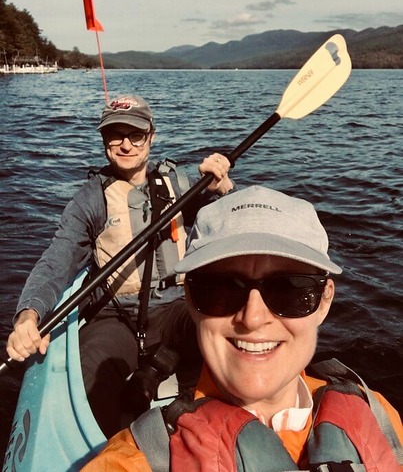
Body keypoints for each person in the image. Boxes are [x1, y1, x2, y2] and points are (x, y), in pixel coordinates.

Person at [82, 185, 403, 471]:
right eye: (221, 289)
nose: (252, 318)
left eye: (289, 289)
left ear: (324, 301)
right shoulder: (134, 461)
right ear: (190, 299)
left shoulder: (379, 416)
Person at [6, 94, 233, 438]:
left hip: (176, 307)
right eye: (115, 135)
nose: (126, 145)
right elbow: (57, 260)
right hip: (116, 316)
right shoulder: (90, 199)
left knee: (222, 334)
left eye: (136, 135)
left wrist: (223, 191)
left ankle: (195, 416)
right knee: (89, 376)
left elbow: (233, 230)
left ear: (151, 137)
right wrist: (29, 314)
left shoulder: (184, 184)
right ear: (104, 141)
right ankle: (110, 450)